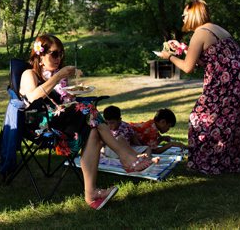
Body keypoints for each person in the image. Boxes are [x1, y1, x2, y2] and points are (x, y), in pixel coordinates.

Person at [19, 34, 153, 210]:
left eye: (61, 54)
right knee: (88, 110)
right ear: (40, 56)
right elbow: (31, 98)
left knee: (94, 131)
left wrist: (71, 93)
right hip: (39, 125)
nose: (59, 58)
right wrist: (58, 77)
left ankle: (92, 194)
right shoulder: (29, 73)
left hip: (62, 122)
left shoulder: (55, 76)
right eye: (54, 54)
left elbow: (63, 104)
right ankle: (125, 157)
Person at [160, 0, 240, 174]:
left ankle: (208, 162)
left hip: (228, 81)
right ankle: (231, 161)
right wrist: (181, 48)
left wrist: (169, 57)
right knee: (232, 119)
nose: (182, 18)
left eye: (184, 15)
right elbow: (209, 56)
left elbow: (188, 67)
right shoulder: (216, 28)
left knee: (201, 117)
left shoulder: (200, 32)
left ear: (193, 14)